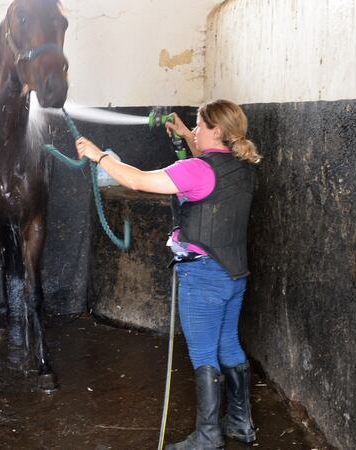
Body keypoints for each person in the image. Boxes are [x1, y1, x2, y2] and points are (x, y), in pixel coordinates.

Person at [76, 99, 261, 449]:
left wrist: (99, 156)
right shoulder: (242, 164)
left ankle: (208, 437)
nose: (194, 130)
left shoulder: (196, 170)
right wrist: (186, 136)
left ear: (216, 131)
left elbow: (138, 181)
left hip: (203, 275)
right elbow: (209, 163)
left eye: (199, 125)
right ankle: (241, 423)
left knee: (204, 354)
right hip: (234, 273)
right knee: (228, 344)